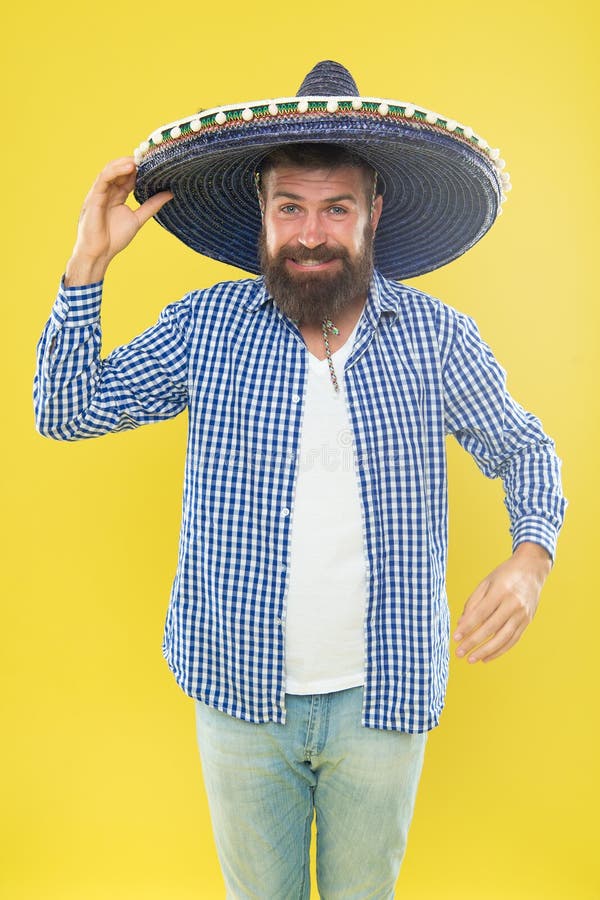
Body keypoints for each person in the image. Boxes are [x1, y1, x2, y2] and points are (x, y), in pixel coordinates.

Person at [34, 61, 566, 899]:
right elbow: (66, 409)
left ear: (373, 214)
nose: (311, 232)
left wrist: (531, 558)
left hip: (382, 701)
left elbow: (525, 448)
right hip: (238, 692)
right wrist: (87, 265)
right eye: (291, 207)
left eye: (336, 208)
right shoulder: (205, 328)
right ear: (262, 212)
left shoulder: (436, 339)